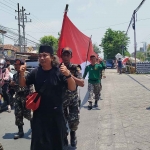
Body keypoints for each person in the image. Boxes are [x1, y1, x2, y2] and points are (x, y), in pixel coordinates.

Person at [19, 45, 76, 150]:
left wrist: (68, 75)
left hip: (55, 116)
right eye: (40, 56)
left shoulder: (59, 72)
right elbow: (23, 84)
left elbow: (72, 88)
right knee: (38, 145)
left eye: (45, 55)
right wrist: (21, 73)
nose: (42, 58)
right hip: (39, 116)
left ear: (52, 57)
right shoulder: (35, 72)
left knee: (56, 145)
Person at [61, 47, 84, 147]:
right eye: (64, 54)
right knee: (62, 120)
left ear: (71, 56)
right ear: (61, 56)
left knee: (74, 120)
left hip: (73, 98)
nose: (66, 56)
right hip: (61, 99)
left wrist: (69, 74)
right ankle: (64, 137)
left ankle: (73, 136)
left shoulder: (75, 68)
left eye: (68, 54)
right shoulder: (57, 68)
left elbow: (82, 83)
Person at [10, 59, 33, 139]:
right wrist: (12, 85)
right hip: (18, 97)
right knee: (18, 114)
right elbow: (15, 87)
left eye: (17, 64)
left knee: (29, 115)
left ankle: (34, 129)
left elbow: (28, 87)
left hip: (26, 97)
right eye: (15, 64)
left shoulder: (27, 74)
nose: (16, 66)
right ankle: (20, 131)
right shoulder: (15, 75)